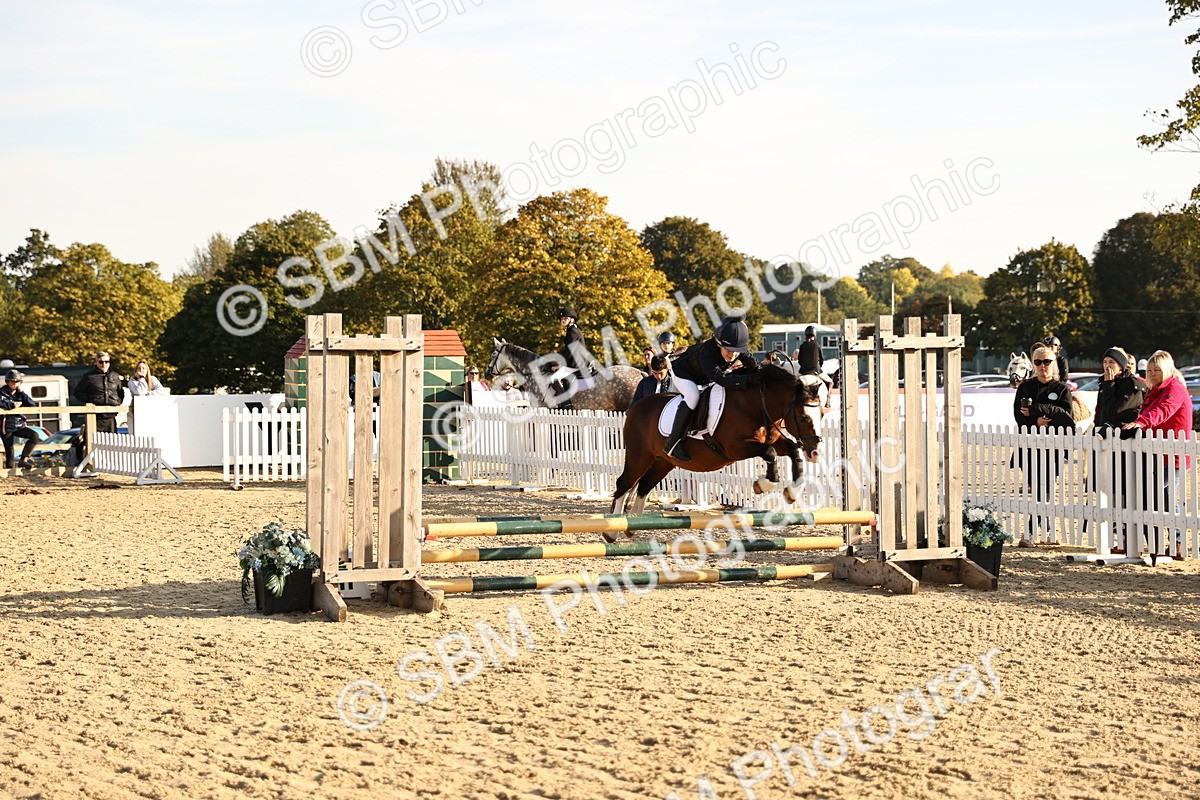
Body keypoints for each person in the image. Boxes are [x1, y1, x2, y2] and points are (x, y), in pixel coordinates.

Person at [1123, 349, 1191, 560]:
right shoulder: (1155, 390)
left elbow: (1164, 410)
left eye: (1157, 370)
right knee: (1165, 500)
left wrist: (1141, 423)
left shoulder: (1175, 388)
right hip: (1156, 454)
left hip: (1172, 456)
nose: (1152, 374)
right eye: (1149, 370)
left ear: (1168, 370)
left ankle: (1175, 542)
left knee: (1161, 499)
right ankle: (1173, 543)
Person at [664, 317, 760, 462]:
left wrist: (761, 373)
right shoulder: (706, 353)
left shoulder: (736, 350)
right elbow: (721, 379)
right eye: (729, 350)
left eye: (736, 351)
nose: (732, 355)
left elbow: (753, 365)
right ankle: (672, 443)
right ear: (718, 344)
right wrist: (748, 380)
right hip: (683, 374)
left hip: (704, 377)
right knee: (693, 396)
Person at [1012, 343, 1075, 545]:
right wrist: (1036, 421)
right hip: (1028, 448)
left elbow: (1066, 419)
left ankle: (1030, 533)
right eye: (1038, 362)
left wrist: (1037, 409)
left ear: (1053, 364)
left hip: (1052, 449)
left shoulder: (1061, 389)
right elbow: (1018, 416)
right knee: (1039, 491)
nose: (1042, 366)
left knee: (1044, 489)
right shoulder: (1025, 387)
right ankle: (1047, 532)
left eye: (1046, 361)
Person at [1089, 346, 1147, 552]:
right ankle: (1117, 537)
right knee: (1110, 491)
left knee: (1126, 493)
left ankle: (1128, 539)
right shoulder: (1106, 383)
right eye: (1105, 363)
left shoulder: (1132, 384)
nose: (1107, 367)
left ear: (1121, 365)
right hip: (1107, 445)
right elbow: (1101, 412)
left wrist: (1110, 384)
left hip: (1125, 446)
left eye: (1111, 363)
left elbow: (1117, 412)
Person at [74, 351, 124, 434]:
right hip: (95, 417)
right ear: (96, 363)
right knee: (92, 443)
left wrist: (117, 401)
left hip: (110, 417)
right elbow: (78, 393)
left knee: (111, 444)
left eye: (106, 362)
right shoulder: (89, 377)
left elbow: (120, 392)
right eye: (101, 362)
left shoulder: (115, 376)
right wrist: (91, 400)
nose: (104, 364)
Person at [0, 370, 39, 469]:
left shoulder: (20, 394)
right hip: (5, 426)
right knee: (10, 450)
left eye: (17, 381)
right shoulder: (1, 392)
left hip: (19, 424)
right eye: (12, 381)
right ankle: (10, 473)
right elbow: (2, 404)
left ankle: (23, 460)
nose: (15, 384)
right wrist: (13, 405)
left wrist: (22, 392)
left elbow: (31, 403)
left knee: (34, 436)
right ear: (7, 382)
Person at [796, 325, 833, 408]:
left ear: (805, 335)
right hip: (816, 371)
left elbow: (799, 361)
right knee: (830, 381)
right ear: (814, 335)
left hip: (803, 372)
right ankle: (828, 401)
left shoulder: (802, 346)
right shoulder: (817, 346)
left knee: (794, 382)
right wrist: (818, 368)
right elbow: (822, 360)